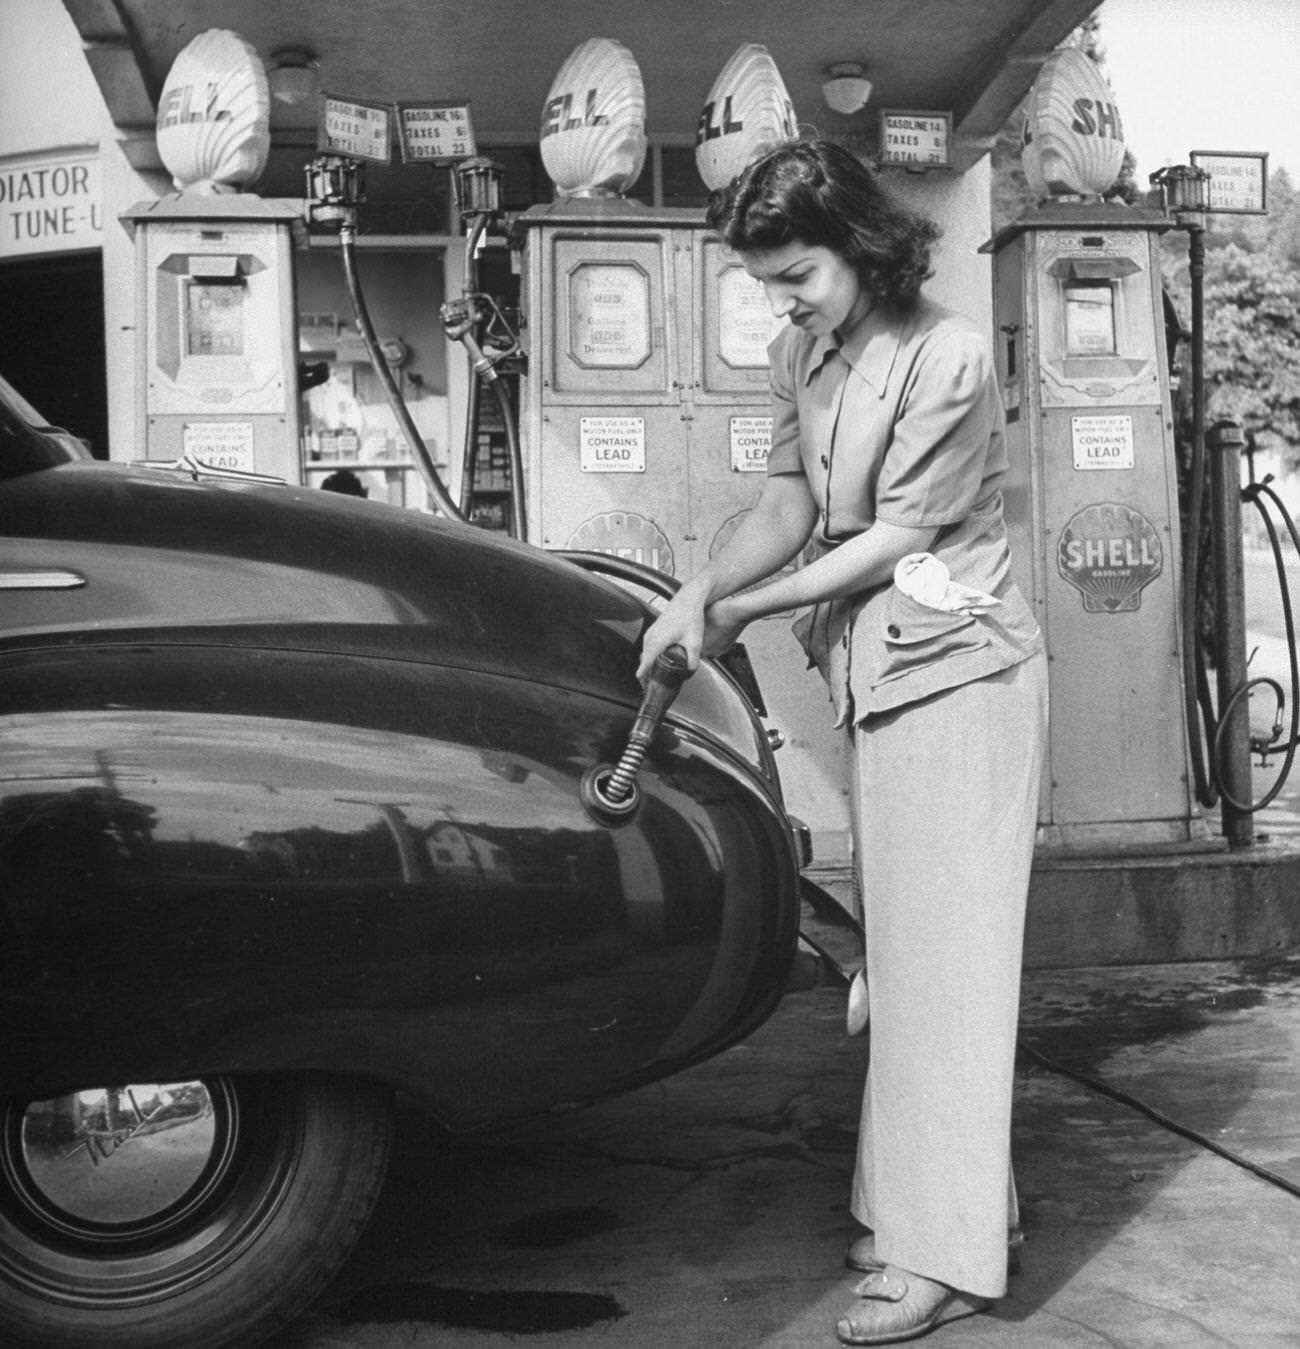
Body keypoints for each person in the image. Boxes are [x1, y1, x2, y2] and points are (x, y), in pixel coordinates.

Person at [636, 139, 1048, 1344]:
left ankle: (942, 1258)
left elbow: (894, 536)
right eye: (767, 282)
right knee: (918, 966)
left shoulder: (949, 354)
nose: (783, 301)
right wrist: (692, 591)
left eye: (798, 274)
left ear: (862, 245)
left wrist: (738, 611)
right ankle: (958, 1216)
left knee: (944, 978)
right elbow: (787, 506)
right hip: (881, 677)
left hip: (960, 675)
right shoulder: (802, 354)